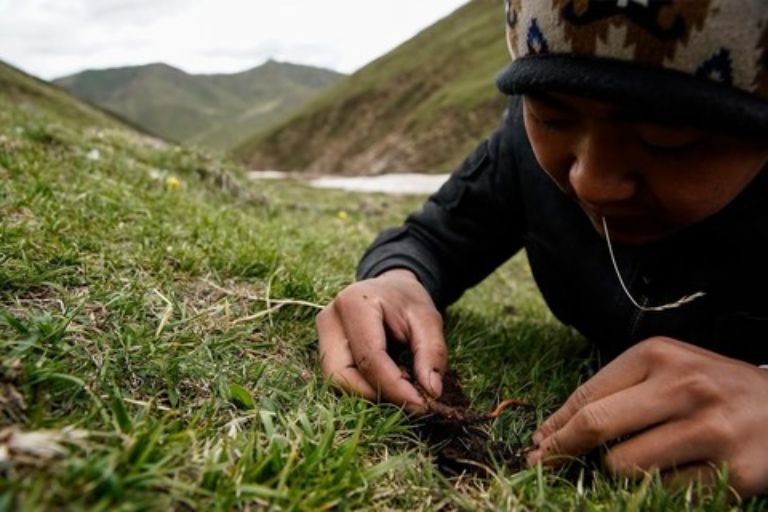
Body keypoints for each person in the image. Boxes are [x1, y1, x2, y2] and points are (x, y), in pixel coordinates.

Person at [316, 0, 768, 498]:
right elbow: (431, 239)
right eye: (551, 116)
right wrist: (395, 281)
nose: (590, 181)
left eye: (668, 140)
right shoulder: (519, 149)